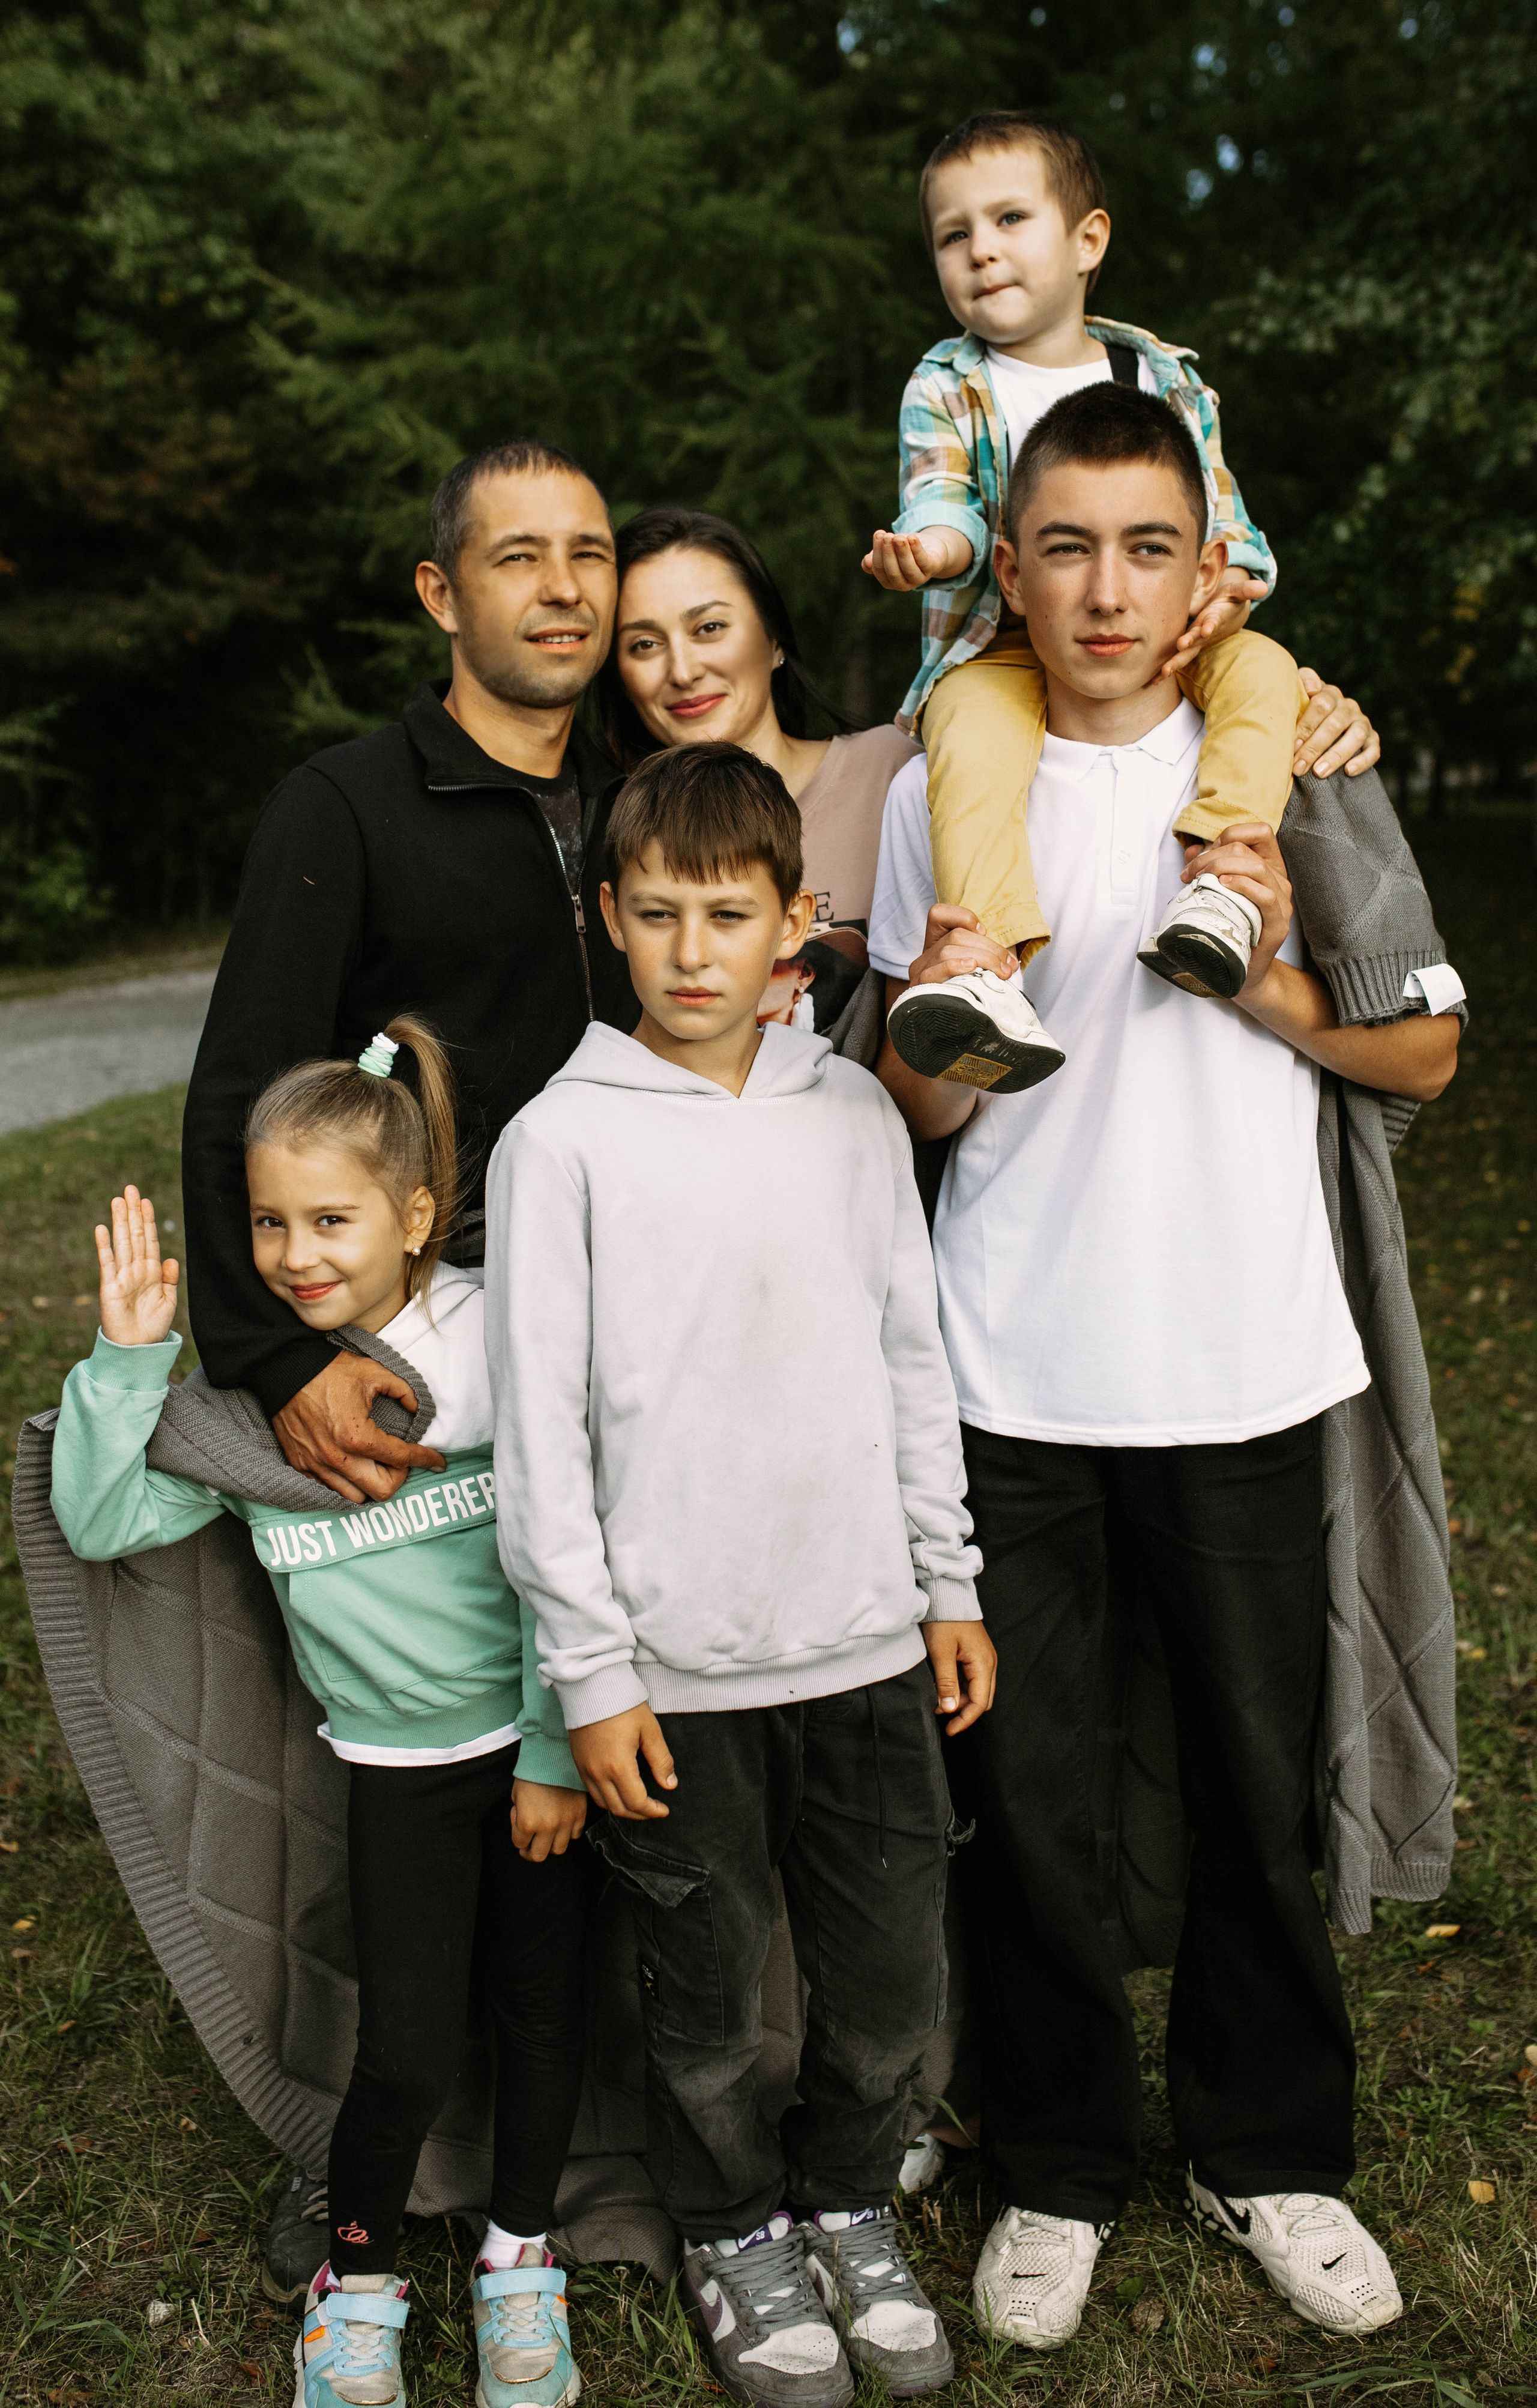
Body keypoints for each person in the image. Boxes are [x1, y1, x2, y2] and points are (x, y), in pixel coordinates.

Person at [869, 382, 1463, 2349]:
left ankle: (1268, 2144)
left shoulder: (1289, 760)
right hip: (1010, 1367)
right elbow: (913, 1110)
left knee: (1248, 1778)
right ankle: (1056, 2159)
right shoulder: (944, 786)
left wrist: (1278, 968)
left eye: (1147, 547)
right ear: (1012, 571)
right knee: (1023, 1793)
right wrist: (952, 1029)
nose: (1106, 589)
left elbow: (1427, 1054)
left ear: (1210, 567)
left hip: (1244, 1360)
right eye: (1065, 545)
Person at [483, 743, 997, 2408]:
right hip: (677, 1673)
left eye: (728, 912)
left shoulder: (850, 1113)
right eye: (656, 915)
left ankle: (851, 2199)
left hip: (863, 1646)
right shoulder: (557, 1142)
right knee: (714, 2004)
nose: (693, 949)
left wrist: (951, 1578)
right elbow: (542, 1440)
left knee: (886, 1982)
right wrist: (593, 1670)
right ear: (605, 922)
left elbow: (912, 1358)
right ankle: (733, 2228)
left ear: (797, 921)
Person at [50, 1021, 591, 2408]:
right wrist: (128, 1360)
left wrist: (548, 1744)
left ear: (415, 1217)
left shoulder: (491, 1341)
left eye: (331, 1218)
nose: (294, 1253)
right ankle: (358, 2289)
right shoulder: (261, 1408)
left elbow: (569, 1544)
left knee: (539, 2015)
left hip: (541, 1743)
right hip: (399, 1768)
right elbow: (103, 1515)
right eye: (268, 1221)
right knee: (405, 2045)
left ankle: (521, 2263)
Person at [865, 110, 1364, 1092]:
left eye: (1010, 219)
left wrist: (1232, 590)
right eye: (953, 235)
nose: (982, 250)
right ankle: (989, 965)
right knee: (967, 740)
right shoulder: (948, 381)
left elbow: (1231, 524)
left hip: (1170, 635)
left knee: (1266, 672)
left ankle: (1222, 883)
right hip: (1001, 650)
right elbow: (947, 499)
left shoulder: (1164, 377)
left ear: (1088, 240)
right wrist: (930, 550)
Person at [183, 435, 635, 1516]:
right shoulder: (343, 808)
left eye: (591, 555)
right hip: (427, 1347)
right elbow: (239, 1096)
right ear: (443, 593)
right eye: (520, 557)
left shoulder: (645, 811)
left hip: (630, 1321)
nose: (565, 588)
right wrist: (278, 1360)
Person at [597, 503, 918, 1034]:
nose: (682, 670)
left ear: (773, 640)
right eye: (645, 644)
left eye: (709, 627)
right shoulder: (614, 833)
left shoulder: (891, 775)